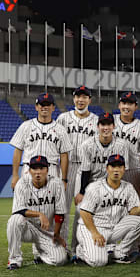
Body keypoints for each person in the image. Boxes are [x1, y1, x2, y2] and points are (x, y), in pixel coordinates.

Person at [72, 112, 131, 254]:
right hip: (89, 181)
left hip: (109, 183)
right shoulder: (87, 145)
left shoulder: (121, 145)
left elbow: (123, 170)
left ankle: (111, 245)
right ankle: (75, 248)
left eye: (108, 124)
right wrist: (81, 192)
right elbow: (86, 171)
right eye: (103, 124)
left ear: (113, 126)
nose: (106, 128)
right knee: (81, 211)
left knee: (114, 211)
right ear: (97, 126)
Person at [76, 154, 140, 266]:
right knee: (99, 262)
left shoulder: (128, 187)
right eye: (113, 166)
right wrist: (95, 233)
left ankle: (119, 253)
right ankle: (81, 251)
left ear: (124, 169)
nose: (116, 170)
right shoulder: (95, 187)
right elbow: (84, 212)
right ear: (107, 168)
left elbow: (132, 211)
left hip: (112, 229)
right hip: (91, 229)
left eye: (119, 167)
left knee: (139, 221)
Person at [6, 155, 68, 270]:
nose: (38, 172)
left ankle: (41, 251)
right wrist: (39, 214)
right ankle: (14, 259)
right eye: (34, 168)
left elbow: (60, 213)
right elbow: (18, 210)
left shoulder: (56, 184)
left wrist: (57, 234)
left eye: (41, 168)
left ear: (47, 170)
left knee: (60, 260)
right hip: (28, 229)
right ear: (29, 170)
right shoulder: (22, 183)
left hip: (46, 232)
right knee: (14, 220)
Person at [55, 85, 98, 241]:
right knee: (62, 208)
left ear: (89, 100)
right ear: (74, 99)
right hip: (67, 166)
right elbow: (56, 144)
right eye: (78, 97)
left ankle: (79, 247)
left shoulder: (96, 120)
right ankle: (63, 246)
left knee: (83, 209)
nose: (81, 100)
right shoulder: (63, 119)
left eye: (84, 97)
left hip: (87, 168)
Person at [10, 92, 71, 190]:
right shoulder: (26, 126)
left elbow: (64, 155)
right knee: (27, 203)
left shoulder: (60, 130)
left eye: (48, 105)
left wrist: (64, 179)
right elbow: (18, 151)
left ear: (53, 107)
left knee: (50, 204)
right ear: (36, 107)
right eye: (42, 105)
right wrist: (15, 175)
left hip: (52, 170)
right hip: (29, 170)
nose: (45, 107)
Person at [113, 92, 140, 176]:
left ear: (136, 107)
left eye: (130, 104)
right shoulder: (110, 120)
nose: (126, 107)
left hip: (133, 170)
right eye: (124, 103)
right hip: (111, 168)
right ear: (119, 105)